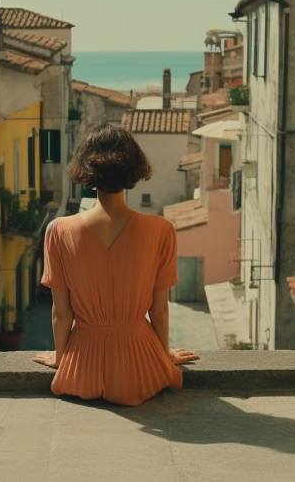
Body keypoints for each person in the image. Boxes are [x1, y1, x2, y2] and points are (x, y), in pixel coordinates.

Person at [32, 124, 199, 406]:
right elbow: (158, 310)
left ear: (86, 171)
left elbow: (62, 314)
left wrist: (61, 358)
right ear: (133, 170)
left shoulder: (58, 231)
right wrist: (164, 354)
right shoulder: (161, 229)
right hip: (144, 369)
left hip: (80, 368)